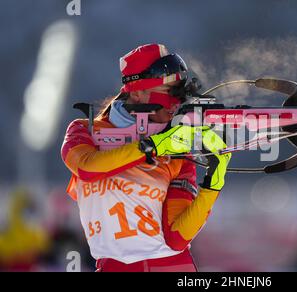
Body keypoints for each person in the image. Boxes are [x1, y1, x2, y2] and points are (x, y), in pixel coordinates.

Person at [61, 44, 231, 272]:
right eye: (169, 91)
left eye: (180, 92)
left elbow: (177, 238)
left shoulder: (176, 147)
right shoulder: (85, 130)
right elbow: (87, 168)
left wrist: (214, 182)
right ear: (137, 92)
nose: (176, 101)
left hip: (172, 266)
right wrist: (153, 146)